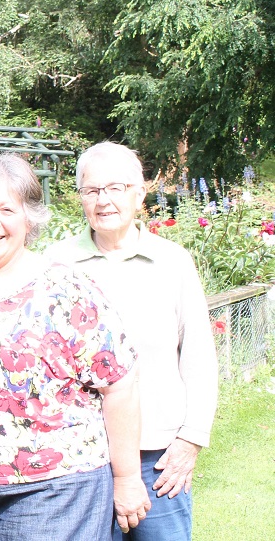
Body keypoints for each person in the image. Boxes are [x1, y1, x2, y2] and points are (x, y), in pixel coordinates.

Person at [0, 153, 150, 541]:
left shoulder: (64, 288)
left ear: (30, 219)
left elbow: (120, 383)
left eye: (8, 209)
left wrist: (126, 477)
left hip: (57, 483)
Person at [47, 142, 218, 541]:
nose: (103, 201)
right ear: (80, 198)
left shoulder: (172, 262)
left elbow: (198, 357)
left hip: (159, 458)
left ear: (140, 194)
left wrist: (191, 439)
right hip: (81, 458)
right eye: (91, 191)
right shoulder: (56, 264)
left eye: (116, 188)